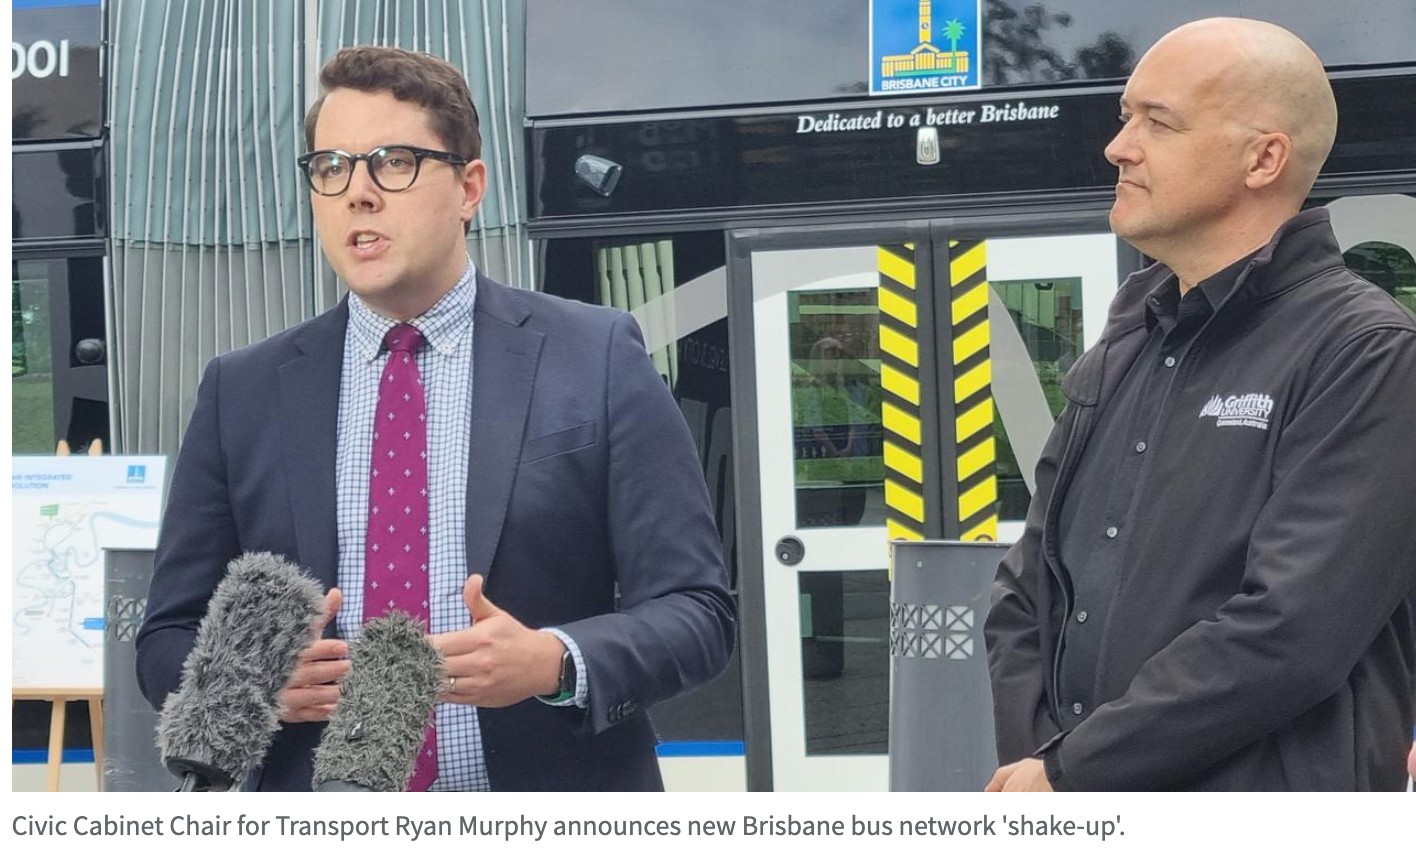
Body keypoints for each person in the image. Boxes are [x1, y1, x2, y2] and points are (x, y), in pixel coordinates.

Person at [136, 45, 736, 792]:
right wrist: (249, 686)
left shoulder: (596, 354)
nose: (358, 194)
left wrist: (554, 661)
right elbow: (165, 637)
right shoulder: (243, 390)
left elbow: (697, 611)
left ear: (468, 188)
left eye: (393, 162)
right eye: (331, 168)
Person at [984, 18, 1416, 791]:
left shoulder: (1364, 351)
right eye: (1126, 116)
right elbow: (1025, 594)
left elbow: (1293, 633)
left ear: (1263, 159)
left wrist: (1076, 769)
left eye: (1159, 121)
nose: (1119, 147)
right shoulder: (1125, 344)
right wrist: (1045, 769)